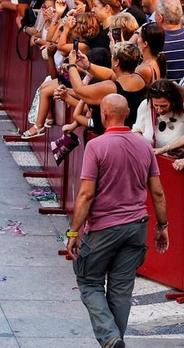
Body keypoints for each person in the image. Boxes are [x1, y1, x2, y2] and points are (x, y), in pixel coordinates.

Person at [66, 94, 169, 348]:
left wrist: (74, 232)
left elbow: (86, 194)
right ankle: (114, 341)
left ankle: (110, 337)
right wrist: (162, 226)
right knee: (121, 289)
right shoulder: (144, 145)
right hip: (136, 226)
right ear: (127, 115)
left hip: (104, 228)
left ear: (103, 115)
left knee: (89, 281)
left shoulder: (96, 146)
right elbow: (157, 191)